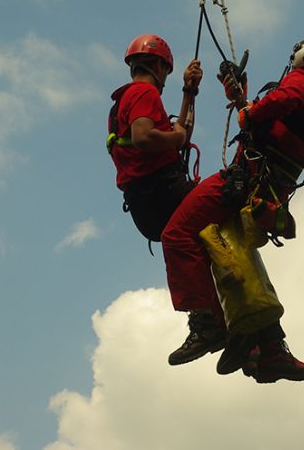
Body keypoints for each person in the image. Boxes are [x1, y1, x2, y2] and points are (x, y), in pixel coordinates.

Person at [161, 35, 304, 383]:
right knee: (235, 258)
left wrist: (251, 112)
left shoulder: (302, 81)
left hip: (244, 180)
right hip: (266, 193)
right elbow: (277, 128)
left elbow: (273, 106)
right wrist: (241, 98)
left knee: (177, 233)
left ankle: (208, 325)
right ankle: (269, 349)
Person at [106, 34, 226, 364]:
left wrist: (190, 92)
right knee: (232, 192)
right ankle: (218, 323)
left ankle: (217, 323)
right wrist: (174, 136)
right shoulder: (144, 93)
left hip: (147, 205)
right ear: (161, 66)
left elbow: (180, 135)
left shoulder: (125, 102)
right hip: (163, 191)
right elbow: (149, 137)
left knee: (200, 247)